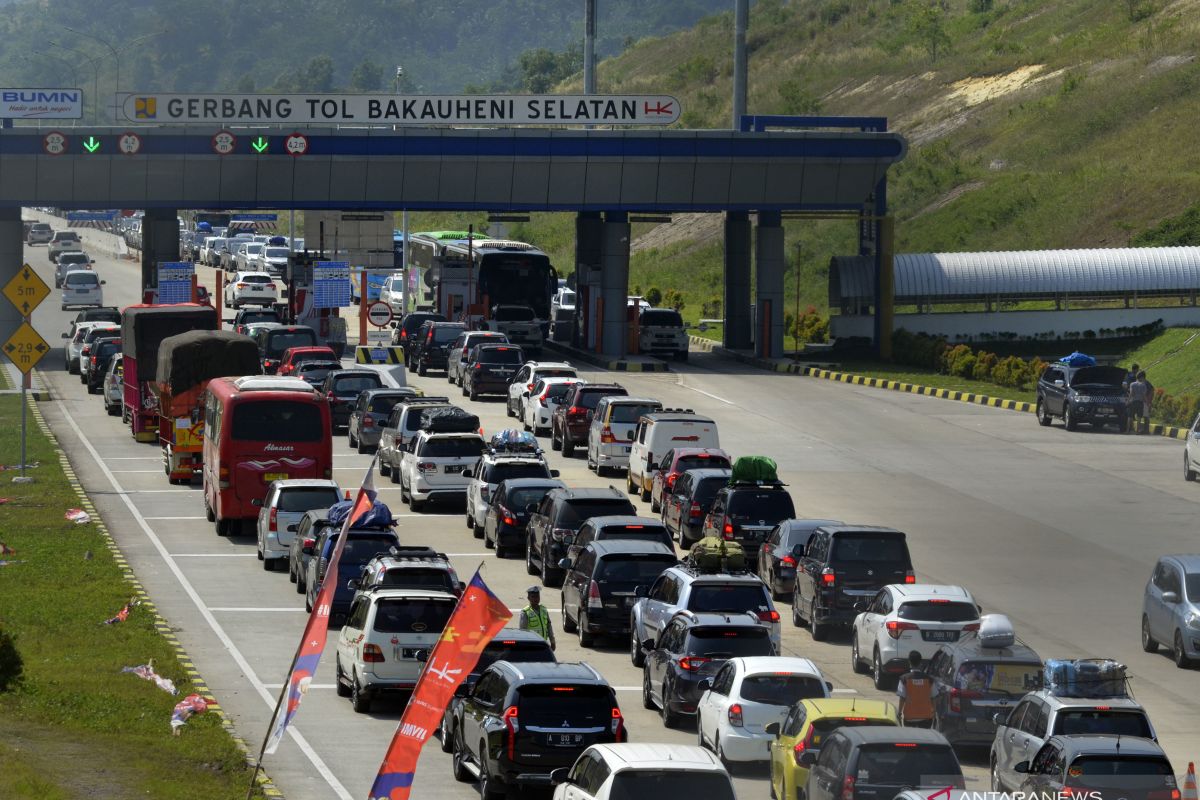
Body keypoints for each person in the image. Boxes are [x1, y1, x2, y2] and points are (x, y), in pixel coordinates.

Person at [896, 651, 934, 727]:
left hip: (910, 718)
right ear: (921, 663)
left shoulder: (904, 679)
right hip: (926, 718)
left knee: (911, 738)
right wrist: (934, 712)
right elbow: (933, 697)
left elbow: (902, 698)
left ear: (909, 662)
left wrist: (899, 713)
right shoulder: (929, 679)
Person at [518, 585, 555, 651]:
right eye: (533, 597)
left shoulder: (544, 610)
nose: (536, 599)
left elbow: (549, 626)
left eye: (537, 596)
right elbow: (523, 631)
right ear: (528, 598)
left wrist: (552, 641)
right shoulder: (525, 612)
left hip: (544, 644)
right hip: (531, 646)